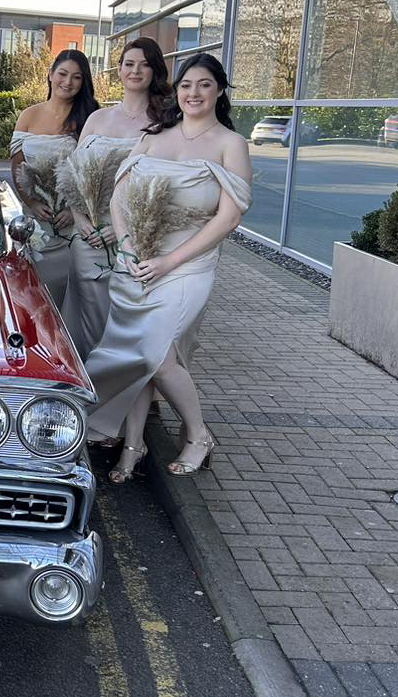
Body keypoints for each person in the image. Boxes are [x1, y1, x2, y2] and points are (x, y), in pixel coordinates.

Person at [86, 53, 251, 483]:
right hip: (137, 264)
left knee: (156, 357)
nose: (193, 93)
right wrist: (125, 245)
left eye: (204, 85)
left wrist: (170, 261)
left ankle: (198, 435)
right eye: (186, 85)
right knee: (142, 355)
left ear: (219, 91)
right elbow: (120, 196)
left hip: (187, 267)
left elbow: (228, 218)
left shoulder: (230, 144)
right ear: (176, 91)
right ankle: (134, 445)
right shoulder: (155, 135)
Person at [58, 37, 171, 360]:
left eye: (145, 64)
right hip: (88, 238)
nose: (135, 71)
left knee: (125, 320)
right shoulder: (97, 119)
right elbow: (74, 178)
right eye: (129, 64)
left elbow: (164, 188)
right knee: (87, 317)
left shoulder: (164, 122)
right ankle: (88, 387)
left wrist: (127, 230)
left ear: (155, 71)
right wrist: (80, 220)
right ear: (119, 70)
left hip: (135, 239)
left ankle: (124, 393)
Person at [9, 49, 99, 307]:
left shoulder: (90, 118)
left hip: (77, 222)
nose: (67, 82)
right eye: (62, 74)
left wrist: (75, 211)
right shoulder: (29, 115)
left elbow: (94, 171)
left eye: (76, 77)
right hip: (39, 220)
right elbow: (18, 167)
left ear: (84, 82)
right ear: (50, 75)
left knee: (77, 298)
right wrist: (33, 203)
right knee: (36, 295)